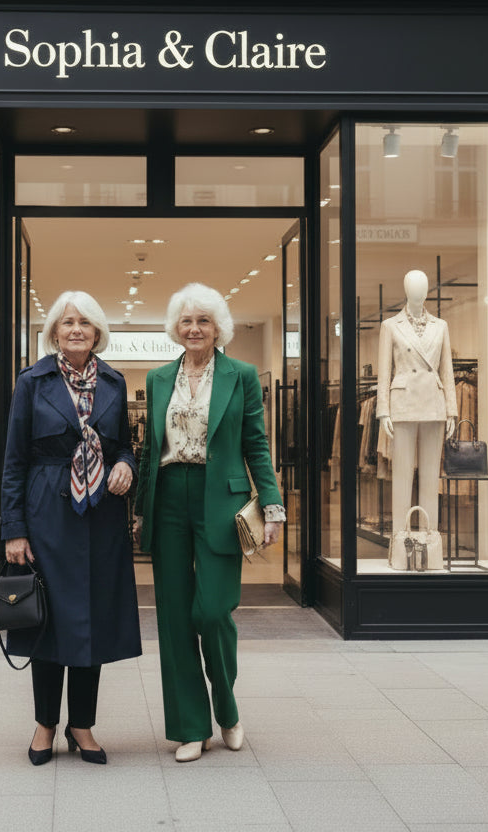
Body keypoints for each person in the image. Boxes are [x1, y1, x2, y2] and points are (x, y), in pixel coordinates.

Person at [135, 283, 284, 763]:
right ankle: (190, 727)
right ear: (175, 328)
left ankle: (227, 708)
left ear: (218, 328)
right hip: (168, 497)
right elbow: (149, 448)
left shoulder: (241, 376)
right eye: (186, 321)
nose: (194, 328)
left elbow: (256, 444)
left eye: (203, 321)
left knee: (213, 611)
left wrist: (273, 505)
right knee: (175, 617)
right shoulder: (158, 378)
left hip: (221, 500)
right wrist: (139, 508)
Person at [0, 291, 141, 766]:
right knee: (48, 621)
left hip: (101, 516)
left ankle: (82, 725)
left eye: (84, 322)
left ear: (97, 332)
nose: (76, 329)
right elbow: (14, 461)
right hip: (46, 516)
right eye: (67, 322)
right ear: (54, 333)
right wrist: (14, 529)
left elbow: (124, 447)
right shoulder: (32, 382)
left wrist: (126, 466)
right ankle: (45, 724)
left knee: (92, 620)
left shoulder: (115, 382)